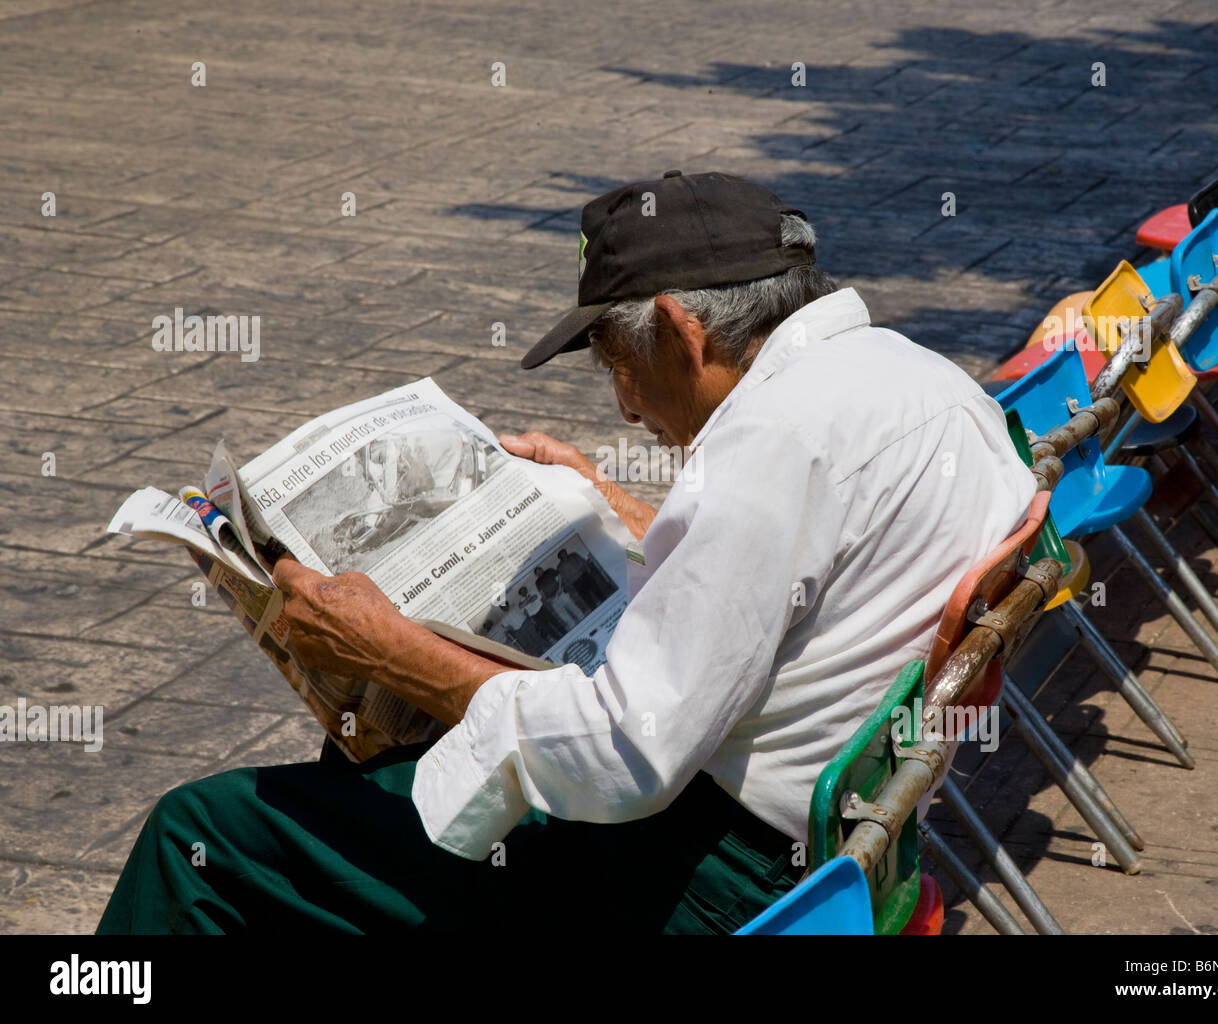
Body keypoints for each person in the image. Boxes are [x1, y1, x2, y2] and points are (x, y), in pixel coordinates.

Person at [97, 171, 1035, 934]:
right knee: (360, 776)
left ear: (680, 327)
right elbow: (805, 574)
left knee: (202, 835)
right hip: (847, 841)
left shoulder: (766, 450)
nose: (626, 405)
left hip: (719, 882)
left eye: (618, 365)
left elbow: (626, 755)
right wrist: (618, 508)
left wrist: (389, 652)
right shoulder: (923, 381)